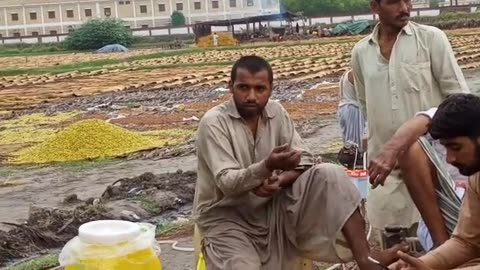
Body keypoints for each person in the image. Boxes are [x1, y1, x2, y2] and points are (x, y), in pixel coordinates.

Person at [193, 55, 405, 270]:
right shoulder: (213, 123)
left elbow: (304, 159)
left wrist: (281, 178)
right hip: (228, 219)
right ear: (230, 87)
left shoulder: (275, 112)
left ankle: (365, 258)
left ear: (270, 88)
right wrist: (266, 167)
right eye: (243, 88)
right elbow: (227, 182)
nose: (251, 96)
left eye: (260, 89)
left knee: (330, 174)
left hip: (272, 209)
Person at [351, 0, 469, 246]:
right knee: (395, 245)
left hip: (432, 167)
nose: (405, 8)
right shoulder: (361, 52)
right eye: (395, 1)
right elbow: (366, 106)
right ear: (375, 6)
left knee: (442, 243)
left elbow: (458, 101)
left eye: (408, 0)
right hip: (385, 169)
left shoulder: (431, 39)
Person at [389, 93, 480, 270]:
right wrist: (422, 264)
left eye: (456, 147)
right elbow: (466, 242)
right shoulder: (476, 177)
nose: (450, 158)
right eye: (446, 148)